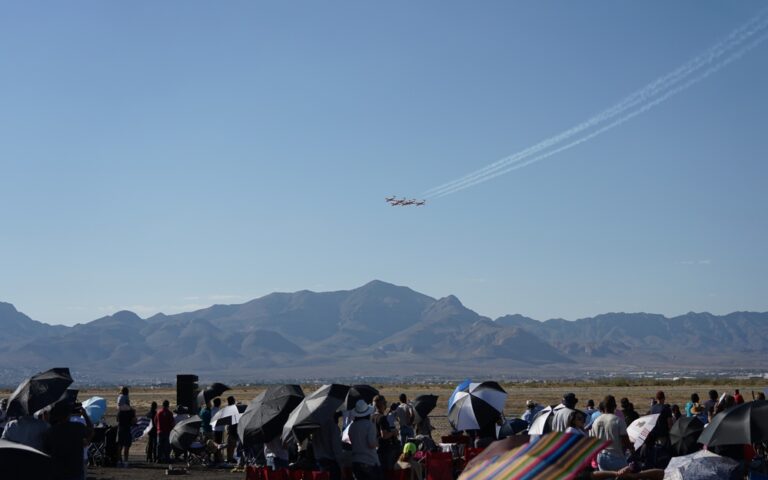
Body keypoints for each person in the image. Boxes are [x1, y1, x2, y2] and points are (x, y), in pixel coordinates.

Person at [44, 402, 93, 480]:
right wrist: (85, 415)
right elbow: (90, 430)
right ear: (69, 414)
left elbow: (47, 449)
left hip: (57, 471)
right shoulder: (77, 427)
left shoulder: (52, 431)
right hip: (75, 470)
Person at [589, 395, 634, 472]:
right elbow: (625, 440)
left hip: (601, 457)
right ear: (615, 407)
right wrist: (631, 447)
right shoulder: (618, 420)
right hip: (616, 457)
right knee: (623, 475)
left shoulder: (596, 421)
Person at [348, 399, 382, 480]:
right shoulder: (370, 425)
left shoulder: (352, 426)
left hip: (356, 461)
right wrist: (378, 442)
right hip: (369, 461)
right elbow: (371, 444)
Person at [313, 411, 343, 480]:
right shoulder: (332, 426)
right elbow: (337, 448)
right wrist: (341, 466)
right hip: (331, 464)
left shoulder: (316, 426)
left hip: (319, 462)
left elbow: (314, 444)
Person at [373, 395, 399, 471]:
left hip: (375, 447)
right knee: (387, 470)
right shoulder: (382, 418)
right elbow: (384, 435)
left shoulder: (372, 416)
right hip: (384, 449)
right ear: (383, 405)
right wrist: (393, 432)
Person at [116, 401, 136, 467]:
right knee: (126, 447)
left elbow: (117, 420)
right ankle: (125, 462)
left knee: (120, 446)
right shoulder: (131, 412)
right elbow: (134, 422)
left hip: (120, 430)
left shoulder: (120, 412)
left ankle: (119, 461)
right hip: (127, 430)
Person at [225, 396, 239, 463]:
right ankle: (230, 458)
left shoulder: (227, 409)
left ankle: (230, 458)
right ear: (233, 401)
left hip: (229, 429)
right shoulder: (233, 409)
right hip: (232, 429)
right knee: (232, 445)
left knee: (230, 445)